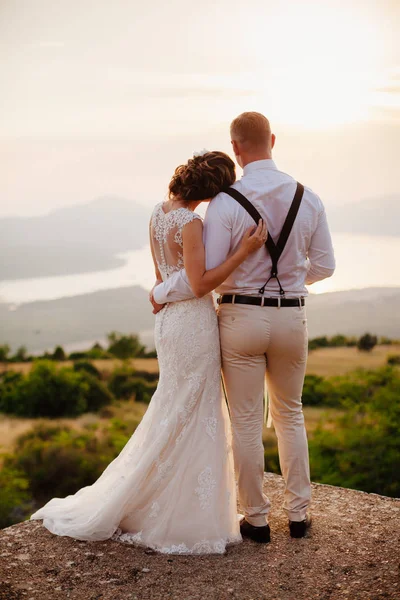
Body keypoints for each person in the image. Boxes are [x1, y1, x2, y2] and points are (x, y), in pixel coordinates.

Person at [30, 150, 268, 555]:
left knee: (174, 407)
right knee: (194, 409)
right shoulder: (190, 222)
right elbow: (197, 284)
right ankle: (181, 511)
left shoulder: (158, 213)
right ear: (211, 190)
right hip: (192, 323)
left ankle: (150, 495)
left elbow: (163, 277)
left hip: (168, 324)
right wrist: (242, 253)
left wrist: (161, 295)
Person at [151, 112, 336, 542]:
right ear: (272, 139)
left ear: (236, 148)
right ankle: (299, 515)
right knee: (291, 414)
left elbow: (205, 274)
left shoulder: (226, 203)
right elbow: (325, 266)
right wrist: (290, 279)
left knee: (247, 421)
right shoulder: (309, 198)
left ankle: (255, 520)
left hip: (240, 317)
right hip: (292, 316)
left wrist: (160, 293)